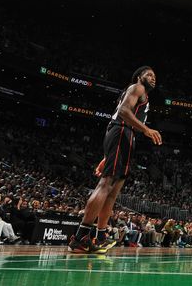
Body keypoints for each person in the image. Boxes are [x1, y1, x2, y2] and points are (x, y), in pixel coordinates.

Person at [68, 66, 162, 254]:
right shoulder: (137, 88)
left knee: (113, 191)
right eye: (148, 74)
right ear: (139, 76)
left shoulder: (143, 95)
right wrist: (146, 129)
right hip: (121, 132)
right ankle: (80, 236)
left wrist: (106, 155)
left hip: (124, 137)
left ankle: (100, 236)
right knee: (105, 184)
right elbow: (124, 112)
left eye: (154, 76)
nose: (152, 78)